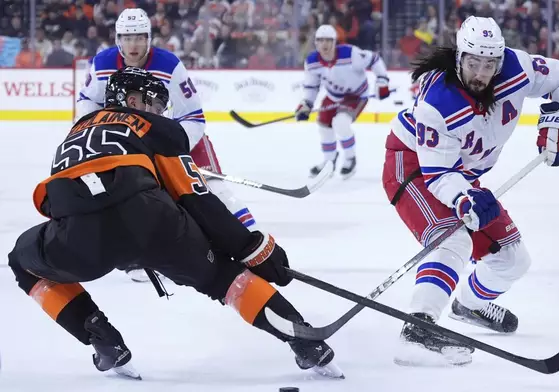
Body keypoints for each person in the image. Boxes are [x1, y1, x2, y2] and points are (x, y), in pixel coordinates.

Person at [8, 67, 342, 380]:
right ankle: (303, 337)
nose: (159, 110)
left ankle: (100, 336)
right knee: (223, 277)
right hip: (152, 223)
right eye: (153, 101)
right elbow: (195, 198)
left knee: (22, 262)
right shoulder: (159, 129)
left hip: (79, 237)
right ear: (133, 100)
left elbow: (62, 203)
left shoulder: (74, 132)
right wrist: (253, 249)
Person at [382, 16, 559, 366]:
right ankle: (418, 328)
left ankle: (469, 304)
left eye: (489, 64)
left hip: (460, 172)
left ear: (500, 59)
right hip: (415, 166)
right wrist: (464, 198)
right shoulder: (438, 101)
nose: (481, 73)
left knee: (512, 260)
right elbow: (439, 176)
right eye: (474, 63)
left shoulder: (517, 66)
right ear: (460, 57)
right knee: (453, 240)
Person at [76, 8, 257, 282]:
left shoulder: (169, 64)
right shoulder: (102, 63)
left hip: (176, 137)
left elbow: (194, 116)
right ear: (117, 39)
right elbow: (87, 101)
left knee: (215, 190)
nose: (133, 45)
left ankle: (255, 243)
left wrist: (171, 145)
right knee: (138, 200)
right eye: (127, 38)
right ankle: (144, 257)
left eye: (139, 37)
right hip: (132, 146)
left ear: (148, 38)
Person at [295, 24, 391, 180]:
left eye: (328, 40)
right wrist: (306, 104)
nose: (324, 44)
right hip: (334, 96)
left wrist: (382, 81)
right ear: (316, 42)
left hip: (356, 96)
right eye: (320, 40)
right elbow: (312, 86)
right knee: (323, 124)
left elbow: (374, 59)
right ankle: (329, 162)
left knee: (341, 122)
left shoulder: (350, 54)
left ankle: (349, 158)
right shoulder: (312, 62)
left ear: (335, 42)